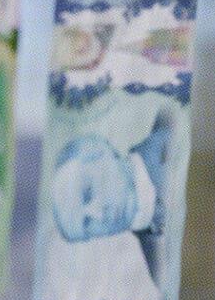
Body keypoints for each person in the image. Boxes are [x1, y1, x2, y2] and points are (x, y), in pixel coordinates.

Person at [50, 113, 172, 285]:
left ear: (100, 151)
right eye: (87, 223)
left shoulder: (171, 132)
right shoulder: (160, 275)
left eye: (88, 193)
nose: (98, 214)